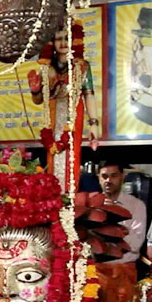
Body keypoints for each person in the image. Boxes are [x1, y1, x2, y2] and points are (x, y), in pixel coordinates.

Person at [27, 21, 99, 187]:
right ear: (52, 42)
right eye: (59, 38)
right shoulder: (46, 68)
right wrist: (35, 90)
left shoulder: (82, 67)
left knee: (72, 153)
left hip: (73, 116)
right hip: (52, 116)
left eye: (68, 38)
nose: (64, 42)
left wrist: (94, 124)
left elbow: (89, 95)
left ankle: (69, 194)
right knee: (53, 153)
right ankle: (55, 194)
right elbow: (38, 100)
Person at [95, 161, 147, 302]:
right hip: (97, 273)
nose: (108, 181)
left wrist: (101, 243)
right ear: (99, 178)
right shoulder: (91, 204)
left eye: (113, 176)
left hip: (124, 271)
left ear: (122, 177)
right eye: (104, 176)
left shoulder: (136, 205)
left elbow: (135, 242)